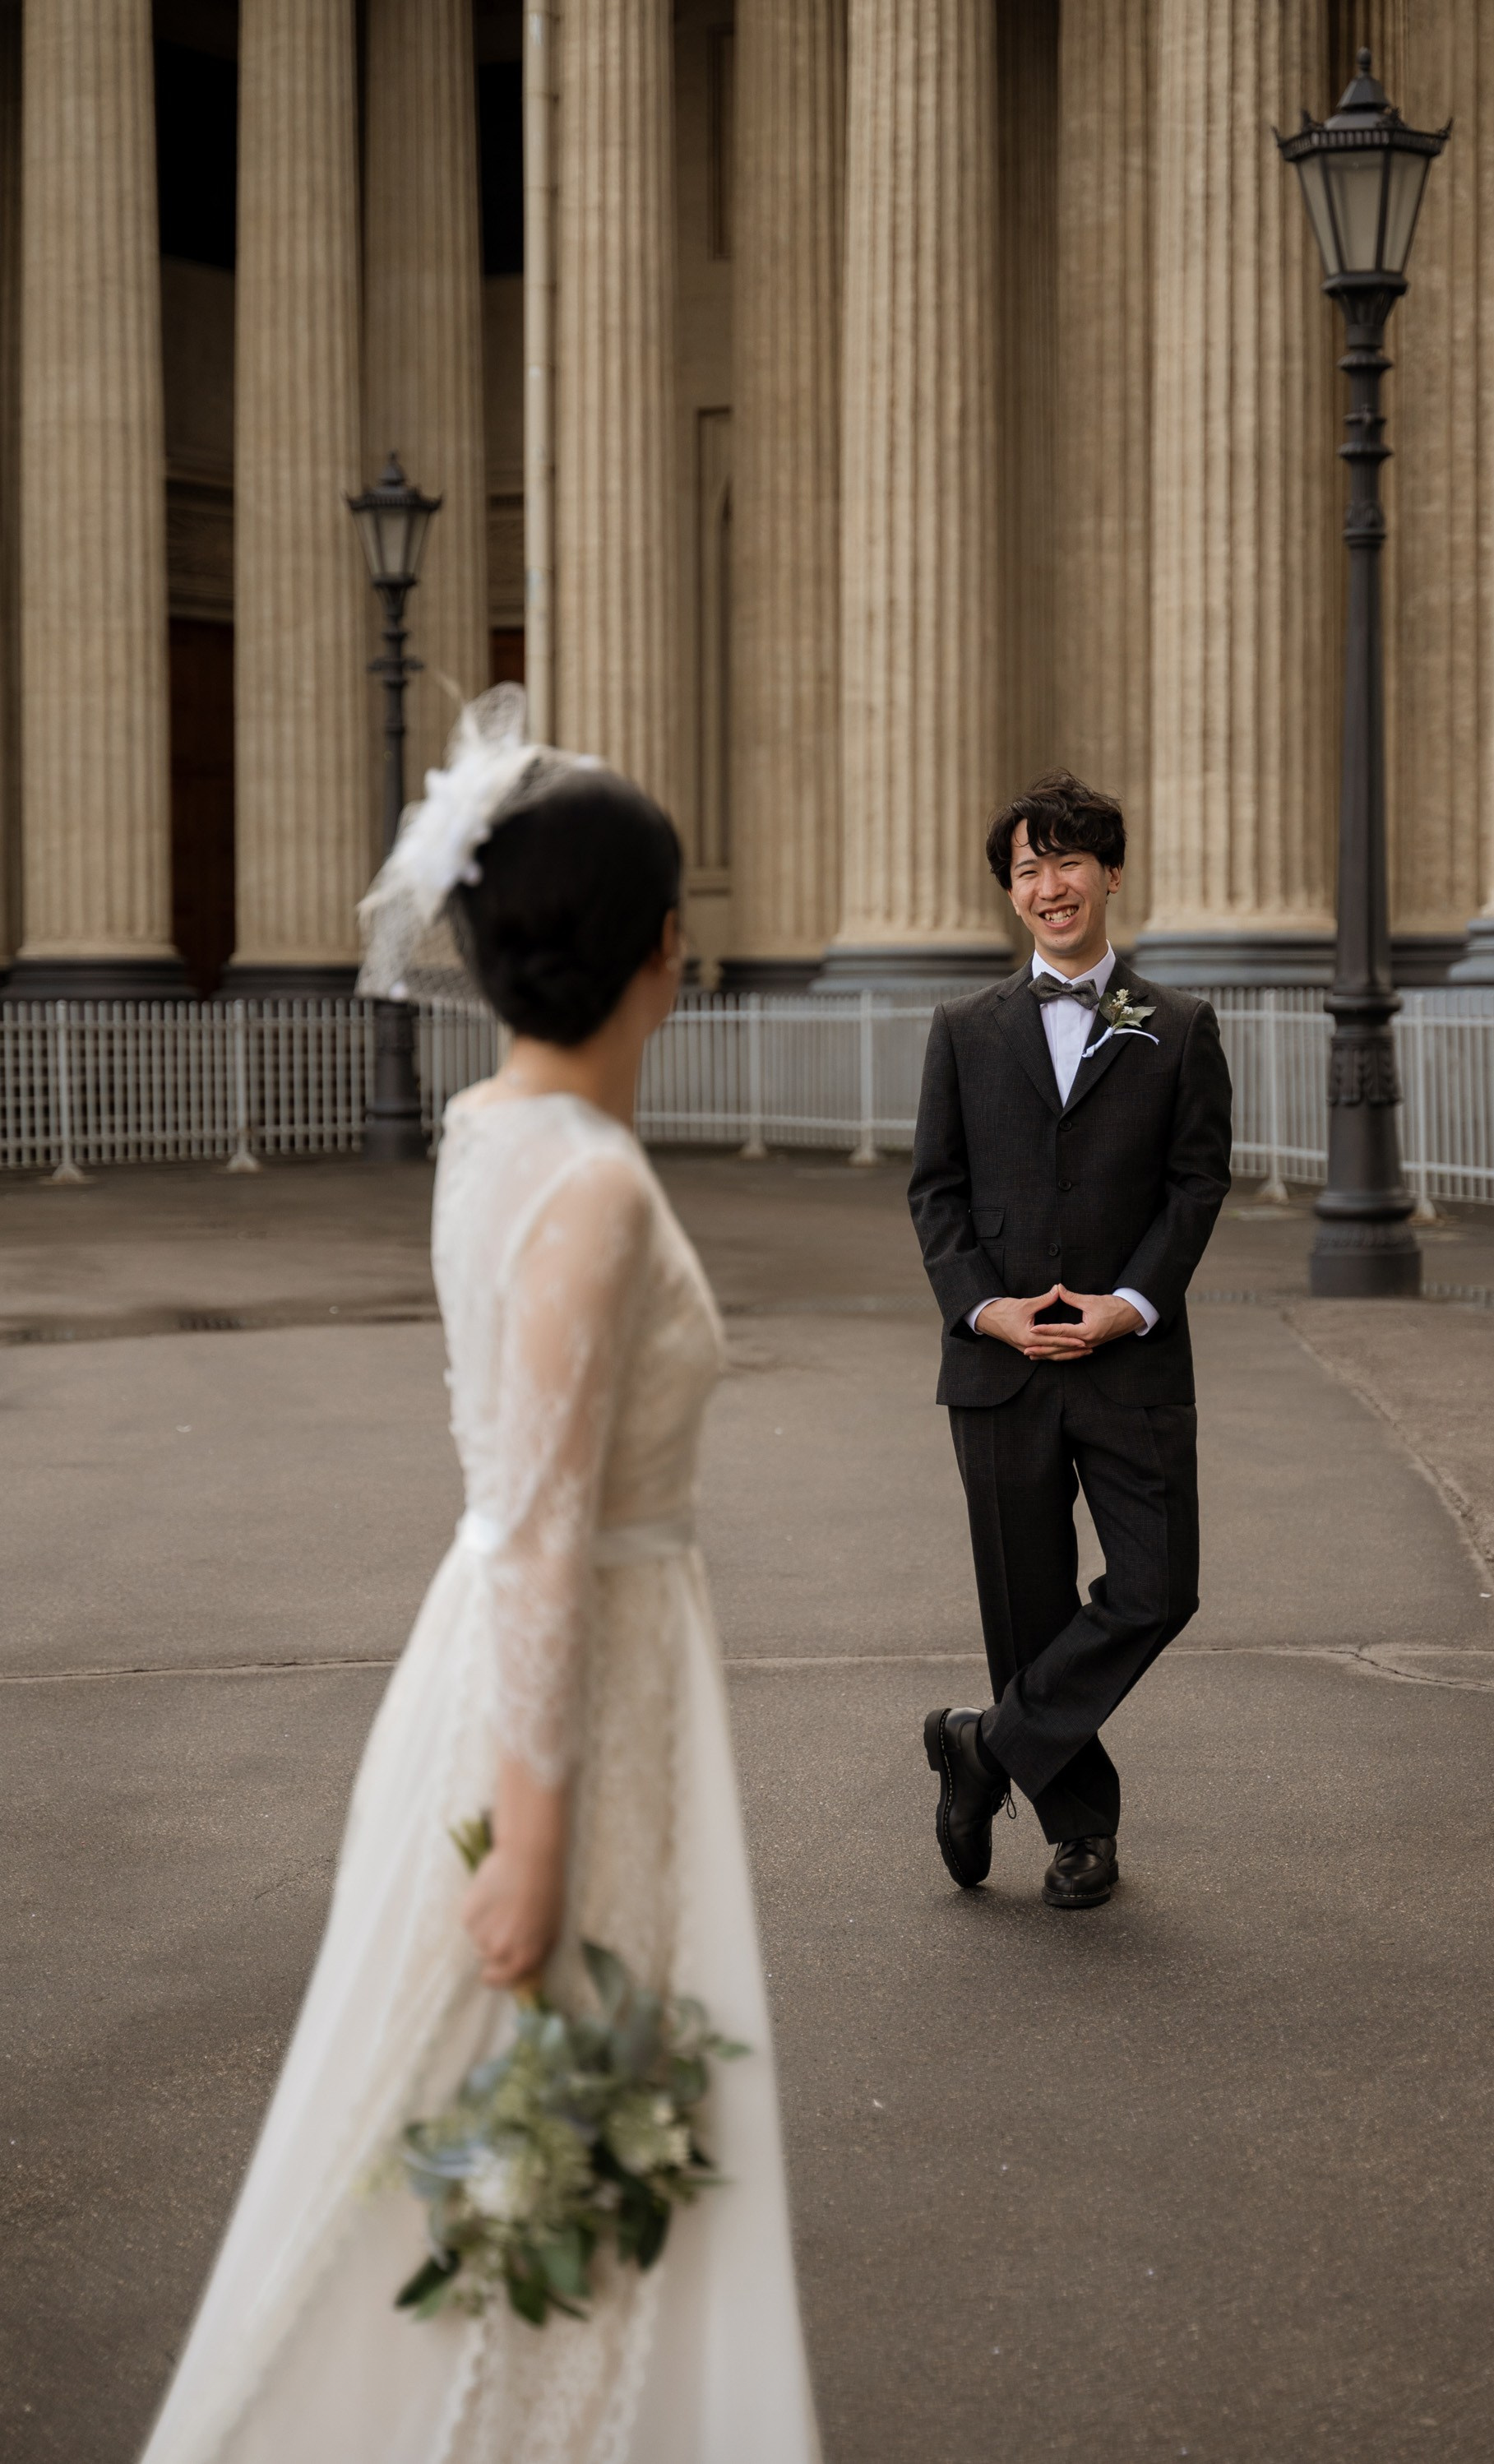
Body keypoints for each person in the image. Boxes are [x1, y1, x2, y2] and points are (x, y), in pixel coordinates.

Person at [139, 690, 820, 2464]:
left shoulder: (486, 1138)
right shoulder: (581, 1184)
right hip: (568, 1676)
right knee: (540, 2098)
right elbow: (538, 1525)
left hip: (542, 1652)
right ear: (663, 948)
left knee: (519, 2112)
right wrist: (532, 1834)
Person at [908, 772, 1232, 1911]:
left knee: (1158, 1587)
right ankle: (1079, 1832)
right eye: (1027, 870)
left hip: (1131, 1358)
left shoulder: (1179, 1028)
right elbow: (934, 1194)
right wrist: (985, 1309)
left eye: (1068, 863)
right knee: (1028, 1604)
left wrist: (1129, 1304)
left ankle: (983, 1746)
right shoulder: (962, 1031)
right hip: (998, 1367)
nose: (1049, 887)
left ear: (1110, 876)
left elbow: (1195, 1189)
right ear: (1013, 894)